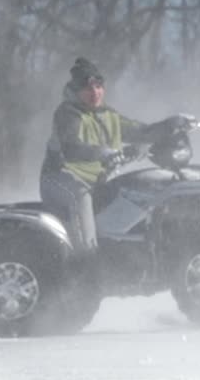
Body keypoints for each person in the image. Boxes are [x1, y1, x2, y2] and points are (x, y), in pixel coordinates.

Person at [40, 57, 165, 259]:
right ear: (76, 91)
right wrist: (104, 153)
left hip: (96, 182)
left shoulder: (108, 115)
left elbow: (141, 131)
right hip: (60, 179)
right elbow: (72, 148)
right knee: (80, 196)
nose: (95, 93)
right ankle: (86, 261)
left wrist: (169, 126)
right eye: (88, 88)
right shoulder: (67, 114)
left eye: (98, 87)